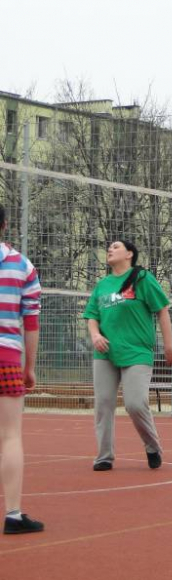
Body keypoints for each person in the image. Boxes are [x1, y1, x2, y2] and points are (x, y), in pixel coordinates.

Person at [83, 240, 172, 472]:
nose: (110, 250)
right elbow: (92, 315)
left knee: (135, 404)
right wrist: (95, 335)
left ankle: (152, 446)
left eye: (116, 247)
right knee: (103, 403)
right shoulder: (103, 285)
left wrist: (168, 345)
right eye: (109, 248)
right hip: (105, 352)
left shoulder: (142, 279)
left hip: (136, 351)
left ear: (129, 254)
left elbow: (162, 309)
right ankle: (104, 456)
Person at [0, 204, 44, 535]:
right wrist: (29, 368)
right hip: (6, 357)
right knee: (10, 436)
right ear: (4, 224)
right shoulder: (21, 265)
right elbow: (31, 321)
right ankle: (13, 515)